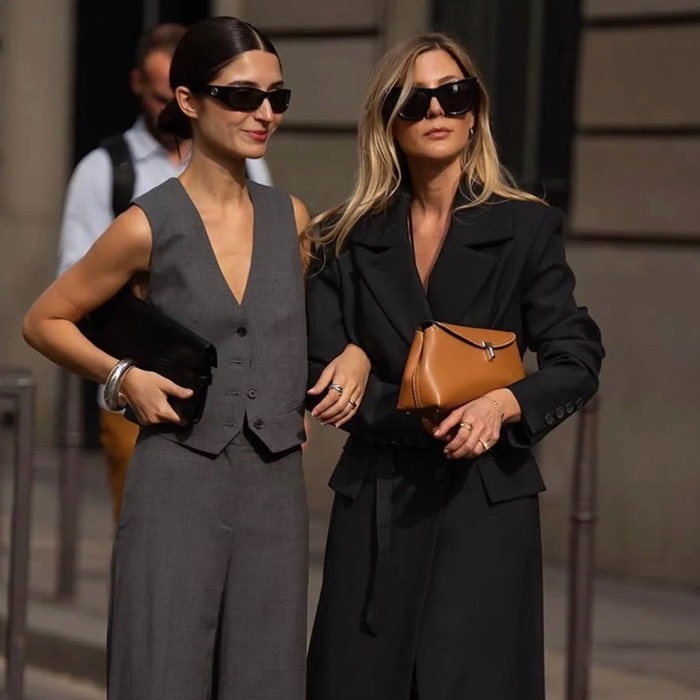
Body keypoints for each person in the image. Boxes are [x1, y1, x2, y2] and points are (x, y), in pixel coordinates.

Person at [23, 16, 369, 699]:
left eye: (276, 97)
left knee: (266, 680)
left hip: (274, 489)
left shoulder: (292, 217)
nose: (264, 113)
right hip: (175, 481)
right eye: (242, 96)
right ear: (188, 100)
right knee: (160, 675)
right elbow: (45, 320)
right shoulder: (145, 223)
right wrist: (121, 376)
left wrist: (354, 354)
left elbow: (317, 328)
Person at [305, 33, 605, 700]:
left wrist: (505, 405)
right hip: (379, 504)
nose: (437, 110)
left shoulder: (526, 229)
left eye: (454, 94)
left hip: (483, 508)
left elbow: (577, 354)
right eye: (415, 100)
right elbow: (318, 370)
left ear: (475, 114)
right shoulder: (342, 238)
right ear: (388, 120)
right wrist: (356, 353)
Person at [57, 22, 274, 523]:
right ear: (142, 85)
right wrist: (125, 376)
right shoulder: (106, 170)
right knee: (151, 548)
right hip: (146, 403)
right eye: (161, 95)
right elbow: (70, 297)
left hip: (240, 412)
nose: (168, 111)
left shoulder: (249, 162)